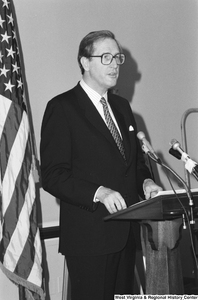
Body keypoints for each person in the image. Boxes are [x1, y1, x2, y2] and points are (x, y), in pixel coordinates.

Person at [40, 30, 162, 300]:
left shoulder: (122, 107)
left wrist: (146, 181)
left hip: (125, 234)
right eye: (106, 57)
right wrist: (99, 192)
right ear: (84, 62)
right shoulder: (62, 108)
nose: (115, 65)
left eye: (117, 58)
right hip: (89, 239)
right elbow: (52, 175)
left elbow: (134, 164)